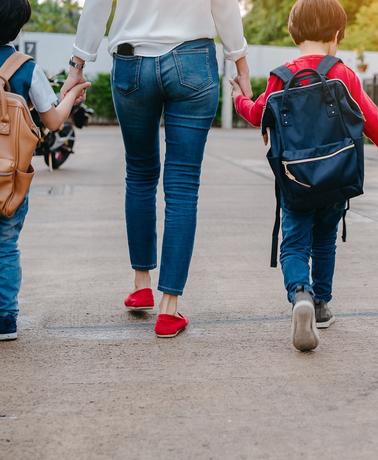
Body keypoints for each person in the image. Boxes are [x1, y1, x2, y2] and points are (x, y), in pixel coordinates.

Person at [61, 0, 251, 338]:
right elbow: (223, 5)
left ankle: (141, 284)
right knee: (182, 185)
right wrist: (240, 63)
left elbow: (97, 5)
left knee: (139, 175)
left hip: (132, 62)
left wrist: (77, 65)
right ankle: (168, 308)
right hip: (193, 61)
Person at [231, 0, 378, 351]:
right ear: (336, 35)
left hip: (295, 179)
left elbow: (256, 115)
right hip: (336, 177)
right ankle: (322, 305)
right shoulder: (343, 74)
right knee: (325, 240)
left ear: (293, 32)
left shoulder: (280, 77)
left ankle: (301, 294)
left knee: (295, 242)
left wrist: (239, 96)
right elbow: (372, 119)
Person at [0, 0, 90, 341]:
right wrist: (73, 95)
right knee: (5, 246)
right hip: (8, 178)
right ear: (18, 27)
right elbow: (52, 121)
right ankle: (4, 320)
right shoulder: (24, 68)